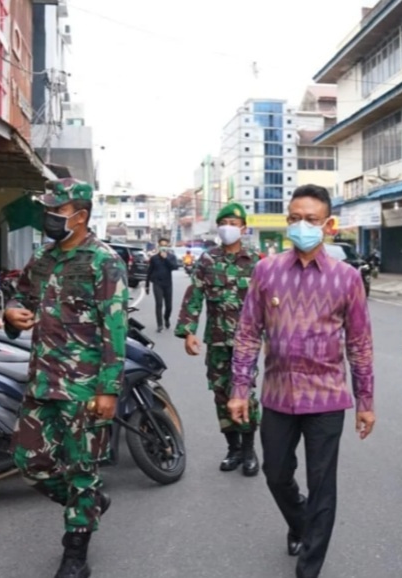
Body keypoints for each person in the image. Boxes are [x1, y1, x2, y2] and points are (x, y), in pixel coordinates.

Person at [229, 184, 375, 578]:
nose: (301, 225)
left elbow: (359, 344)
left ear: (328, 224)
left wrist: (365, 401)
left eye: (311, 219)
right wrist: (240, 388)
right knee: (275, 473)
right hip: (277, 395)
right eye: (294, 218)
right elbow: (247, 333)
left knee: (323, 484)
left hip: (326, 398)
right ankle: (300, 521)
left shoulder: (347, 279)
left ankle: (308, 567)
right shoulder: (266, 271)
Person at [4, 178, 129, 578]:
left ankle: (75, 550)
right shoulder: (42, 259)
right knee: (30, 462)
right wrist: (11, 315)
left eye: (56, 213)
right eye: (48, 212)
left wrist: (108, 389)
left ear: (80, 216)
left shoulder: (103, 262)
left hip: (84, 388)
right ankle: (88, 503)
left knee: (81, 469)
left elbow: (115, 329)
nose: (49, 219)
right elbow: (20, 297)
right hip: (42, 381)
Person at [175, 203, 262, 475]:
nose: (229, 228)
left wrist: (273, 336)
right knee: (221, 394)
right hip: (216, 340)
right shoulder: (207, 260)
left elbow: (268, 304)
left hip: (247, 343)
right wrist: (188, 331)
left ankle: (249, 450)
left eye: (234, 224)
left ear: (243, 228)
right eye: (225, 223)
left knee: (245, 392)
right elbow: (195, 295)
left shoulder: (256, 262)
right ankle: (233, 448)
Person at [146, 238, 179, 332]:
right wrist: (147, 285)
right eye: (161, 245)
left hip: (168, 284)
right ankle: (159, 324)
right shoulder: (154, 258)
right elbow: (149, 271)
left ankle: (166, 318)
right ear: (159, 246)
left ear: (168, 246)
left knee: (169, 306)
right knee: (159, 304)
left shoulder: (172, 257)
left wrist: (166, 258)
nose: (163, 247)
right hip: (157, 283)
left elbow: (175, 267)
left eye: (165, 245)